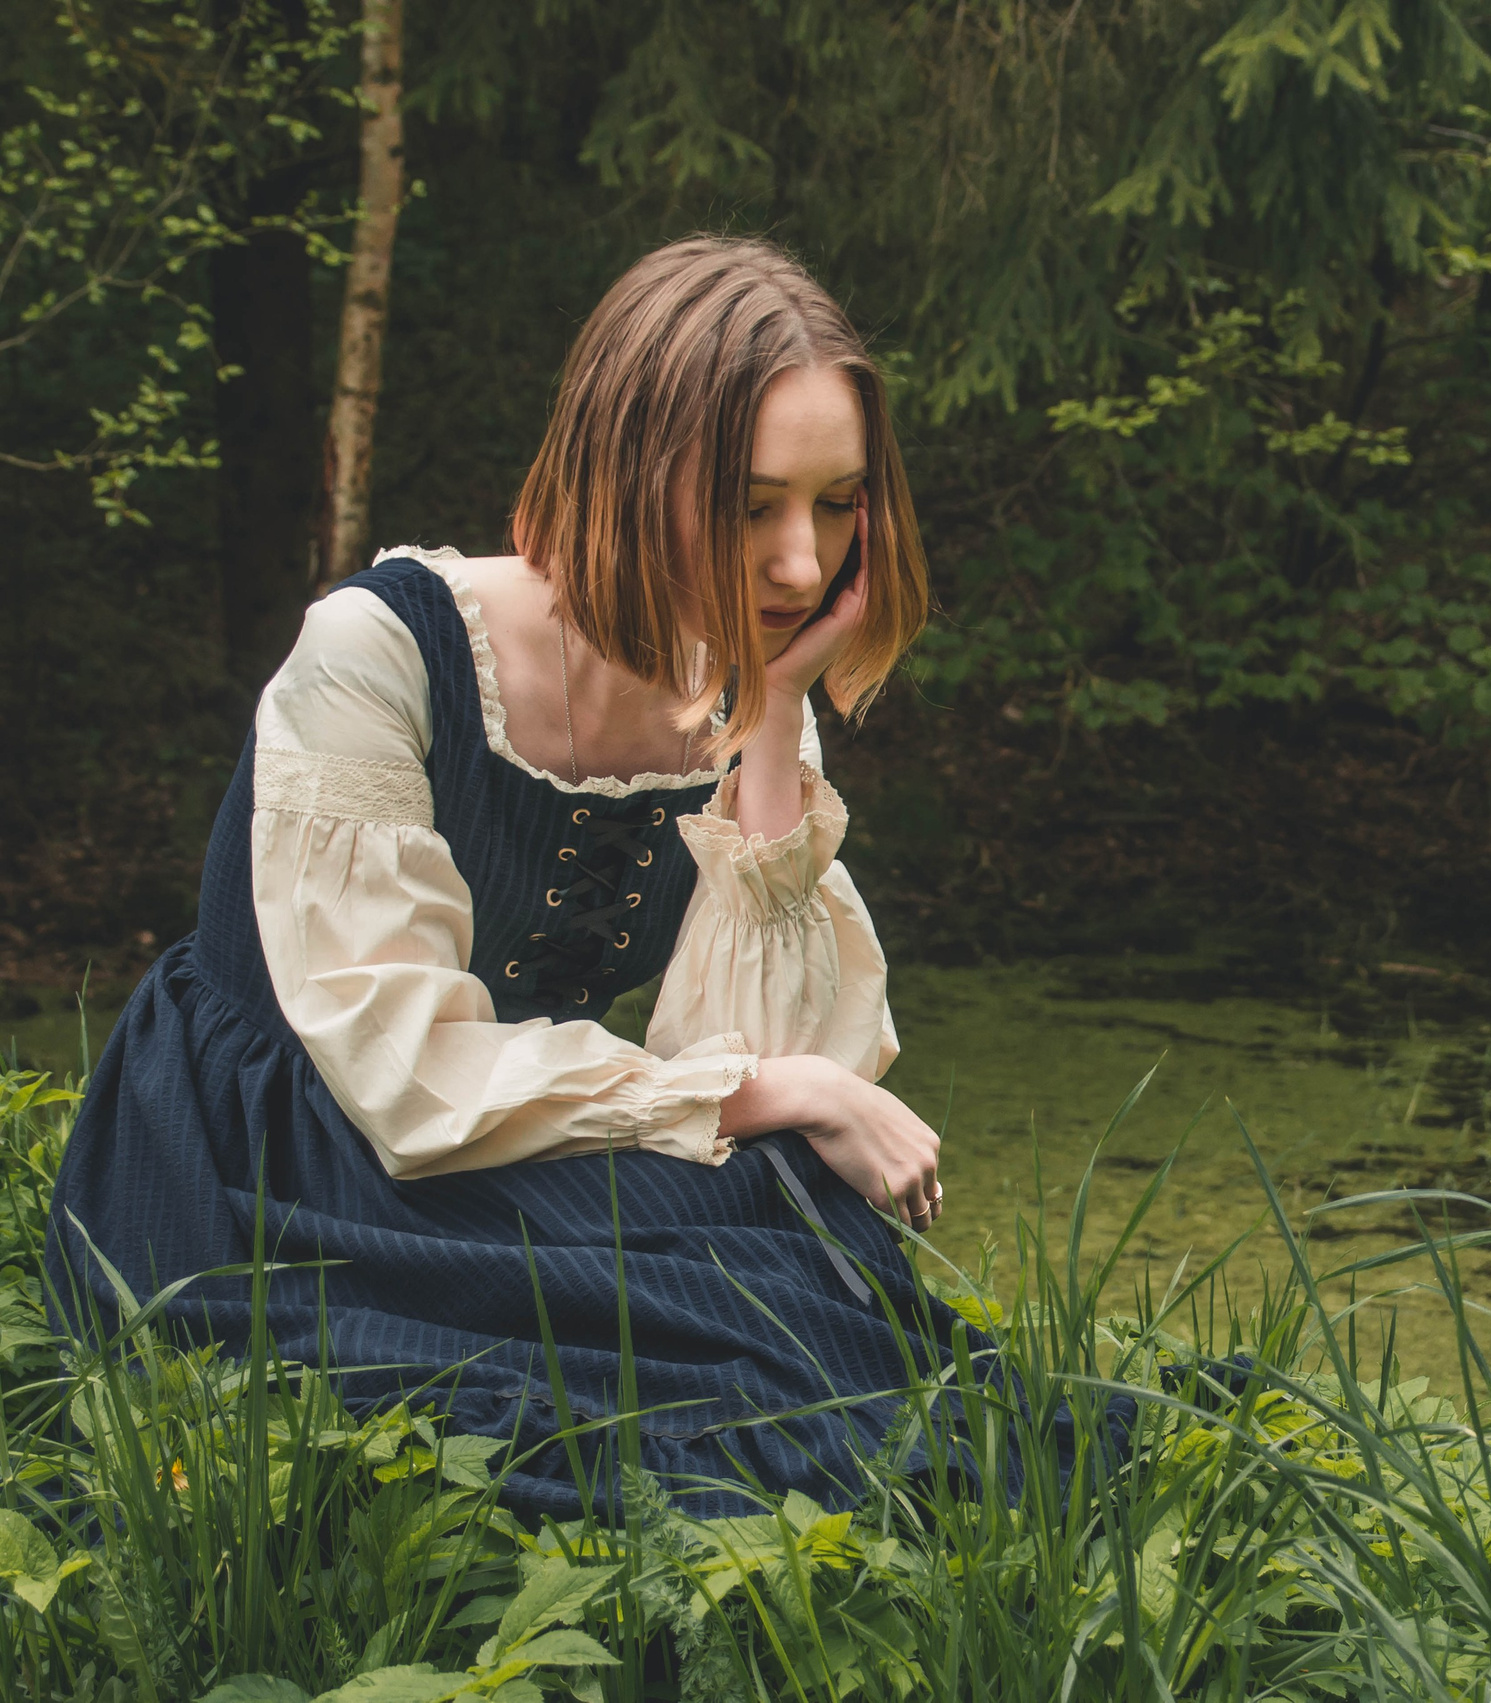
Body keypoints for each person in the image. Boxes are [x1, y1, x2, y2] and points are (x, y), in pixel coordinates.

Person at [45, 236, 976, 1518]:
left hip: (505, 1134)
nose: (803, 565)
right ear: (629, 470)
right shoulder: (380, 653)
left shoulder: (747, 693)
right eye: (753, 504)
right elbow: (402, 1074)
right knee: (701, 1360)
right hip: (280, 1157)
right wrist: (791, 1088)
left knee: (793, 1218)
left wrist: (771, 711)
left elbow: (753, 1060)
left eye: (835, 503)